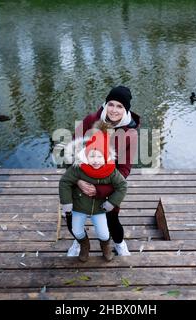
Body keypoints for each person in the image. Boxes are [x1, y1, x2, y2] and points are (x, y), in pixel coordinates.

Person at [66, 85, 140, 256]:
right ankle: (78, 242)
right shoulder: (90, 120)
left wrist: (100, 189)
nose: (114, 110)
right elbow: (71, 152)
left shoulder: (130, 133)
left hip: (107, 185)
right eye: (111, 104)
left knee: (111, 218)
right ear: (106, 104)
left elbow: (124, 169)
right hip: (81, 179)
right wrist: (78, 181)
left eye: (120, 106)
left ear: (126, 109)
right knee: (72, 216)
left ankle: (119, 244)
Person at [59, 121, 128, 262]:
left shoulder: (110, 171)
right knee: (77, 229)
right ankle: (84, 246)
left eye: (99, 157)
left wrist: (112, 203)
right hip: (79, 206)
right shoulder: (78, 168)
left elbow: (122, 186)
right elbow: (64, 182)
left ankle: (106, 247)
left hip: (99, 208)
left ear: (105, 157)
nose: (95, 161)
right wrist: (67, 203)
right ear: (85, 155)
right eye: (92, 156)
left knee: (103, 233)